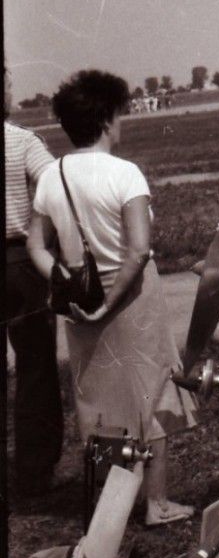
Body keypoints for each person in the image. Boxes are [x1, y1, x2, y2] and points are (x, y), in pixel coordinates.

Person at [27, 70, 196, 526]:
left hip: (79, 300)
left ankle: (112, 504)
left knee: (97, 401)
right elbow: (138, 251)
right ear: (105, 120)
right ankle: (156, 502)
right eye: (119, 115)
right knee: (151, 396)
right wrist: (110, 302)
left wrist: (64, 278)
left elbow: (36, 245)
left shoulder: (53, 175)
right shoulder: (125, 173)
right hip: (132, 298)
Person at [4, 70, 64, 497]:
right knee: (36, 366)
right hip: (20, 262)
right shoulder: (23, 141)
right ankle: (34, 470)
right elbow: (54, 187)